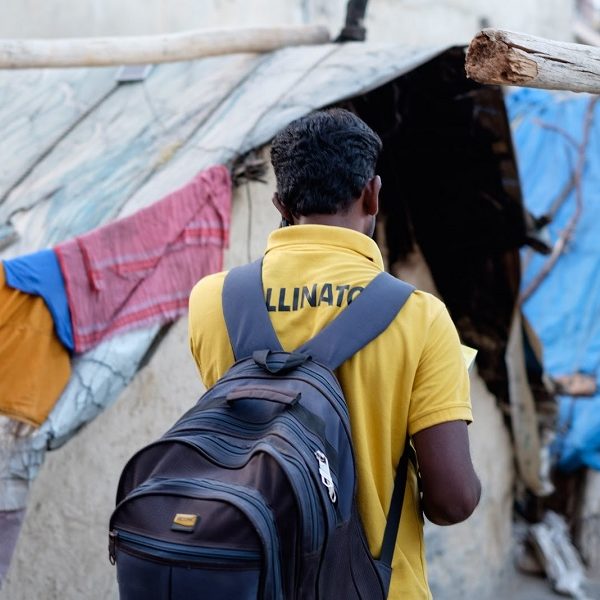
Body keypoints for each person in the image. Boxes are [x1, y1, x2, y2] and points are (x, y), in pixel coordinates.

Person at [188, 108, 481, 599]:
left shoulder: (213, 300)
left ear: (280, 203)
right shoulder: (421, 317)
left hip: (251, 580)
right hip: (376, 586)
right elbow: (453, 501)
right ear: (373, 193)